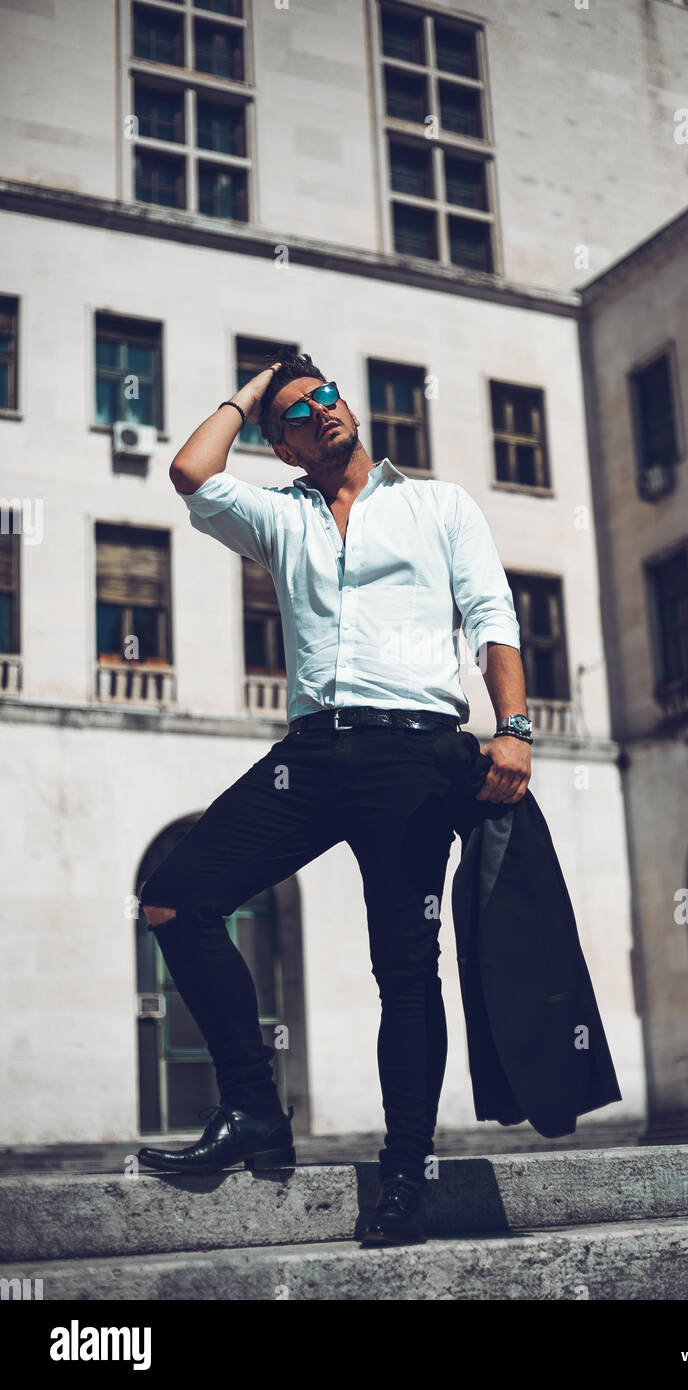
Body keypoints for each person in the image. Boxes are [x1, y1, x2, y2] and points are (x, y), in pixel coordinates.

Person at [136, 351, 534, 1246]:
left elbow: (493, 616)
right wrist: (250, 389)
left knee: (404, 969)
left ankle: (405, 1176)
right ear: (280, 444)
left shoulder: (439, 503)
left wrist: (514, 727)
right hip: (312, 756)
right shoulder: (278, 517)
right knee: (174, 897)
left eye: (325, 396)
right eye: (296, 413)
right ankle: (254, 1114)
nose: (320, 412)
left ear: (346, 405)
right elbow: (191, 471)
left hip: (417, 758)